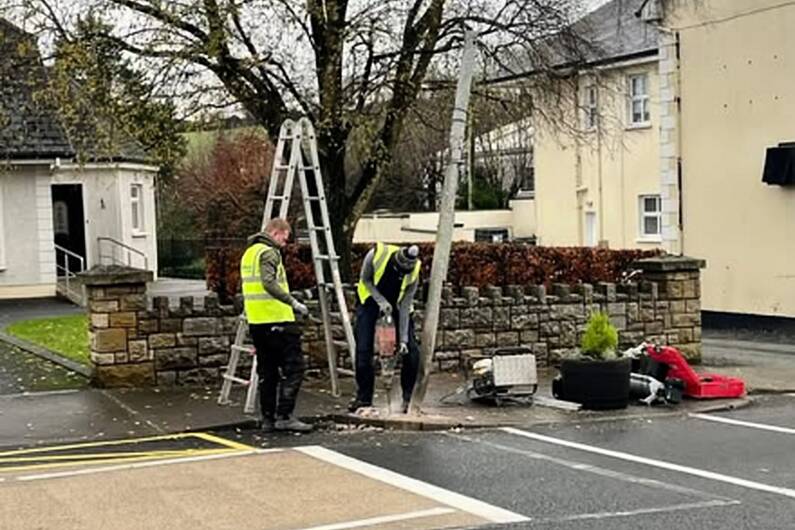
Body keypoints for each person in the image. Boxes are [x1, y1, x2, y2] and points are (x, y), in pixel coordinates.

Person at [240, 218, 312, 433]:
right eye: (284, 238)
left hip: (257, 321)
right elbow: (269, 283)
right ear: (275, 232)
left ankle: (268, 419)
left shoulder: (249, 253)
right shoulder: (269, 252)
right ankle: (285, 415)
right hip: (278, 319)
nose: (284, 243)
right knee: (295, 367)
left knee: (267, 371)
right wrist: (294, 302)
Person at [350, 242, 421, 413]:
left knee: (412, 353)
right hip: (369, 300)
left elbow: (405, 306)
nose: (401, 275)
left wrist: (403, 340)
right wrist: (381, 301)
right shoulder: (376, 255)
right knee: (363, 350)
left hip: (397, 305)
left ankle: (407, 400)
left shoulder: (414, 271)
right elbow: (365, 280)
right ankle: (364, 399)